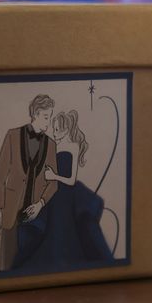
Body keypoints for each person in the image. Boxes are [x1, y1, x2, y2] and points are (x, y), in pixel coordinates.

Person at [14, 110, 114, 274]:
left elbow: (71, 180)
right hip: (53, 191)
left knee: (68, 225)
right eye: (53, 129)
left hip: (67, 192)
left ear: (66, 129)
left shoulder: (73, 147)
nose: (54, 132)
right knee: (50, 225)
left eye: (58, 129)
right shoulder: (54, 146)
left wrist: (54, 176)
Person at [0, 95, 73, 271]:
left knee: (31, 268)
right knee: (7, 265)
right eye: (46, 117)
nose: (48, 122)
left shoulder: (51, 145)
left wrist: (40, 204)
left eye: (50, 118)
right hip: (11, 212)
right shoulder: (12, 136)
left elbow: (53, 183)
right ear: (35, 114)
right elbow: (0, 175)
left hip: (35, 219)